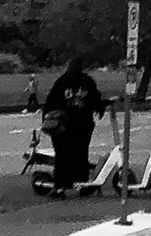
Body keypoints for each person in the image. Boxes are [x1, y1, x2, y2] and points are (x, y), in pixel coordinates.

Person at [43, 56, 107, 192]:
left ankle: (61, 186)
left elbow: (51, 103)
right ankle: (81, 183)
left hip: (64, 125)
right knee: (81, 154)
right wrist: (100, 108)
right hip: (83, 124)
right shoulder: (87, 82)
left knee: (62, 155)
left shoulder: (62, 82)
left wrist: (46, 119)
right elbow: (95, 100)